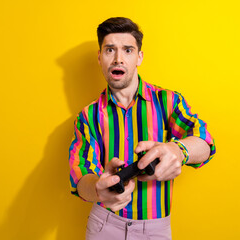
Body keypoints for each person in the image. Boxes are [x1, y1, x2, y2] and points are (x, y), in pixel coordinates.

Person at [68, 17, 216, 240]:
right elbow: (80, 178)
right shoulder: (89, 115)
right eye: (110, 50)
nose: (118, 59)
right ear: (100, 57)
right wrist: (99, 188)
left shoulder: (168, 101)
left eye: (127, 50)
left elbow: (204, 141)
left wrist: (178, 151)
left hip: (155, 229)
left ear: (139, 57)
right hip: (104, 225)